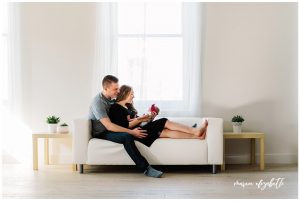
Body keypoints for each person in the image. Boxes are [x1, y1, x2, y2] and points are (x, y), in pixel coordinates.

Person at [89, 75, 164, 178]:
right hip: (103, 132)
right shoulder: (98, 103)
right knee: (127, 136)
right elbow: (109, 126)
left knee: (143, 128)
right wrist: (132, 132)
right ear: (105, 89)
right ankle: (146, 169)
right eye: (115, 89)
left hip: (112, 128)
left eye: (118, 88)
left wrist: (137, 119)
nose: (118, 91)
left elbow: (119, 117)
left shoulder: (111, 99)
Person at [109, 85, 208, 147]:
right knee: (164, 121)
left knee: (166, 132)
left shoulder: (128, 107)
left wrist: (150, 117)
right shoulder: (115, 107)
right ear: (124, 94)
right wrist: (140, 119)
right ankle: (195, 131)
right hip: (136, 133)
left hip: (141, 129)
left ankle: (197, 137)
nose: (133, 96)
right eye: (131, 94)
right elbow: (125, 126)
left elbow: (138, 121)